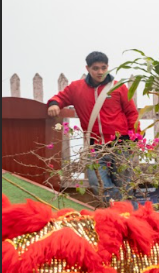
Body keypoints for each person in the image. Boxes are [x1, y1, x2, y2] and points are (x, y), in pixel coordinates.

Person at [47, 50, 139, 202]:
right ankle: (123, 210)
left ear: (108, 67)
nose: (100, 72)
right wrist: (54, 104)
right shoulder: (76, 88)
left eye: (103, 67)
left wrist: (133, 139)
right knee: (97, 183)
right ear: (87, 69)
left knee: (124, 185)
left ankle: (124, 216)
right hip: (94, 144)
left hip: (120, 144)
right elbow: (59, 98)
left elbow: (132, 113)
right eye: (95, 68)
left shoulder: (119, 88)